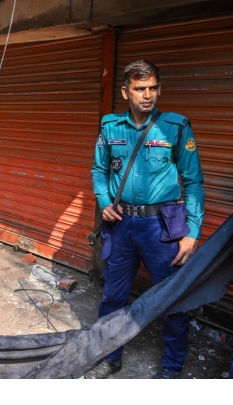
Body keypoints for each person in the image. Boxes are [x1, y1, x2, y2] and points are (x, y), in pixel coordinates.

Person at [87, 60, 205, 379]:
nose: (148, 95)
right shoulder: (110, 126)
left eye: (153, 88)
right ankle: (110, 356)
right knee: (113, 296)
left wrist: (192, 232)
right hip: (121, 225)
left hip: (161, 227)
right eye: (140, 89)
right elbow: (99, 170)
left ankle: (171, 367)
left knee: (171, 299)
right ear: (126, 92)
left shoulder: (176, 127)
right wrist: (103, 201)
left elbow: (193, 182)